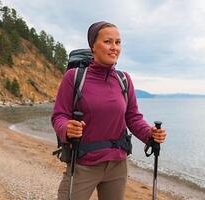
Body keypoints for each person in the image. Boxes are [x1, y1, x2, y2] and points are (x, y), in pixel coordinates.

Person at [51, 21, 167, 200]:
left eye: (118, 42)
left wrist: (149, 134)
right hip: (83, 163)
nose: (114, 48)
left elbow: (133, 117)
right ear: (93, 47)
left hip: (117, 165)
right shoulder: (74, 77)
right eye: (108, 42)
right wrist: (67, 128)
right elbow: (59, 115)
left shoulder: (124, 79)